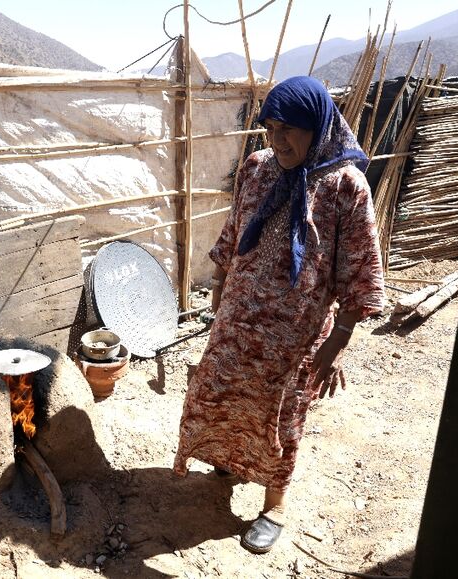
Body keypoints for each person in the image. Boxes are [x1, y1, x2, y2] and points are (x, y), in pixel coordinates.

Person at [173, 76, 385, 554]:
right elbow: (236, 229)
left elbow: (360, 274)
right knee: (223, 390)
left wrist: (334, 346)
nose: (278, 140)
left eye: (291, 129)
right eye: (271, 127)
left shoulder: (344, 186)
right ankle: (231, 460)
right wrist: (222, 294)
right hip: (239, 319)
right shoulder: (257, 167)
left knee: (282, 415)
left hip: (295, 335)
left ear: (319, 127)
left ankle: (275, 505)